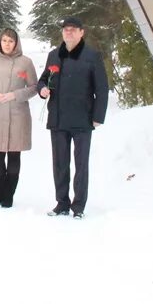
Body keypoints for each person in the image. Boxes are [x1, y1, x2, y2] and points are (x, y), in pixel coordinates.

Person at [37, 15, 108, 219]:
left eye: (73, 29)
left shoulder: (91, 56)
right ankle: (62, 203)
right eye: (65, 29)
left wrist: (97, 117)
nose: (68, 32)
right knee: (60, 163)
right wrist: (42, 89)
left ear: (81, 32)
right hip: (58, 118)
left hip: (82, 119)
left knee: (81, 164)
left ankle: (78, 207)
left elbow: (102, 89)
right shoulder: (53, 55)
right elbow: (42, 80)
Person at [0, 28, 37, 208]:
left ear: (17, 43)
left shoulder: (26, 63)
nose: (7, 44)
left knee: (14, 156)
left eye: (11, 41)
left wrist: (15, 95)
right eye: (4, 41)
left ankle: (9, 195)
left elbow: (34, 87)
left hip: (18, 114)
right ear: (0, 42)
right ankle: (0, 192)